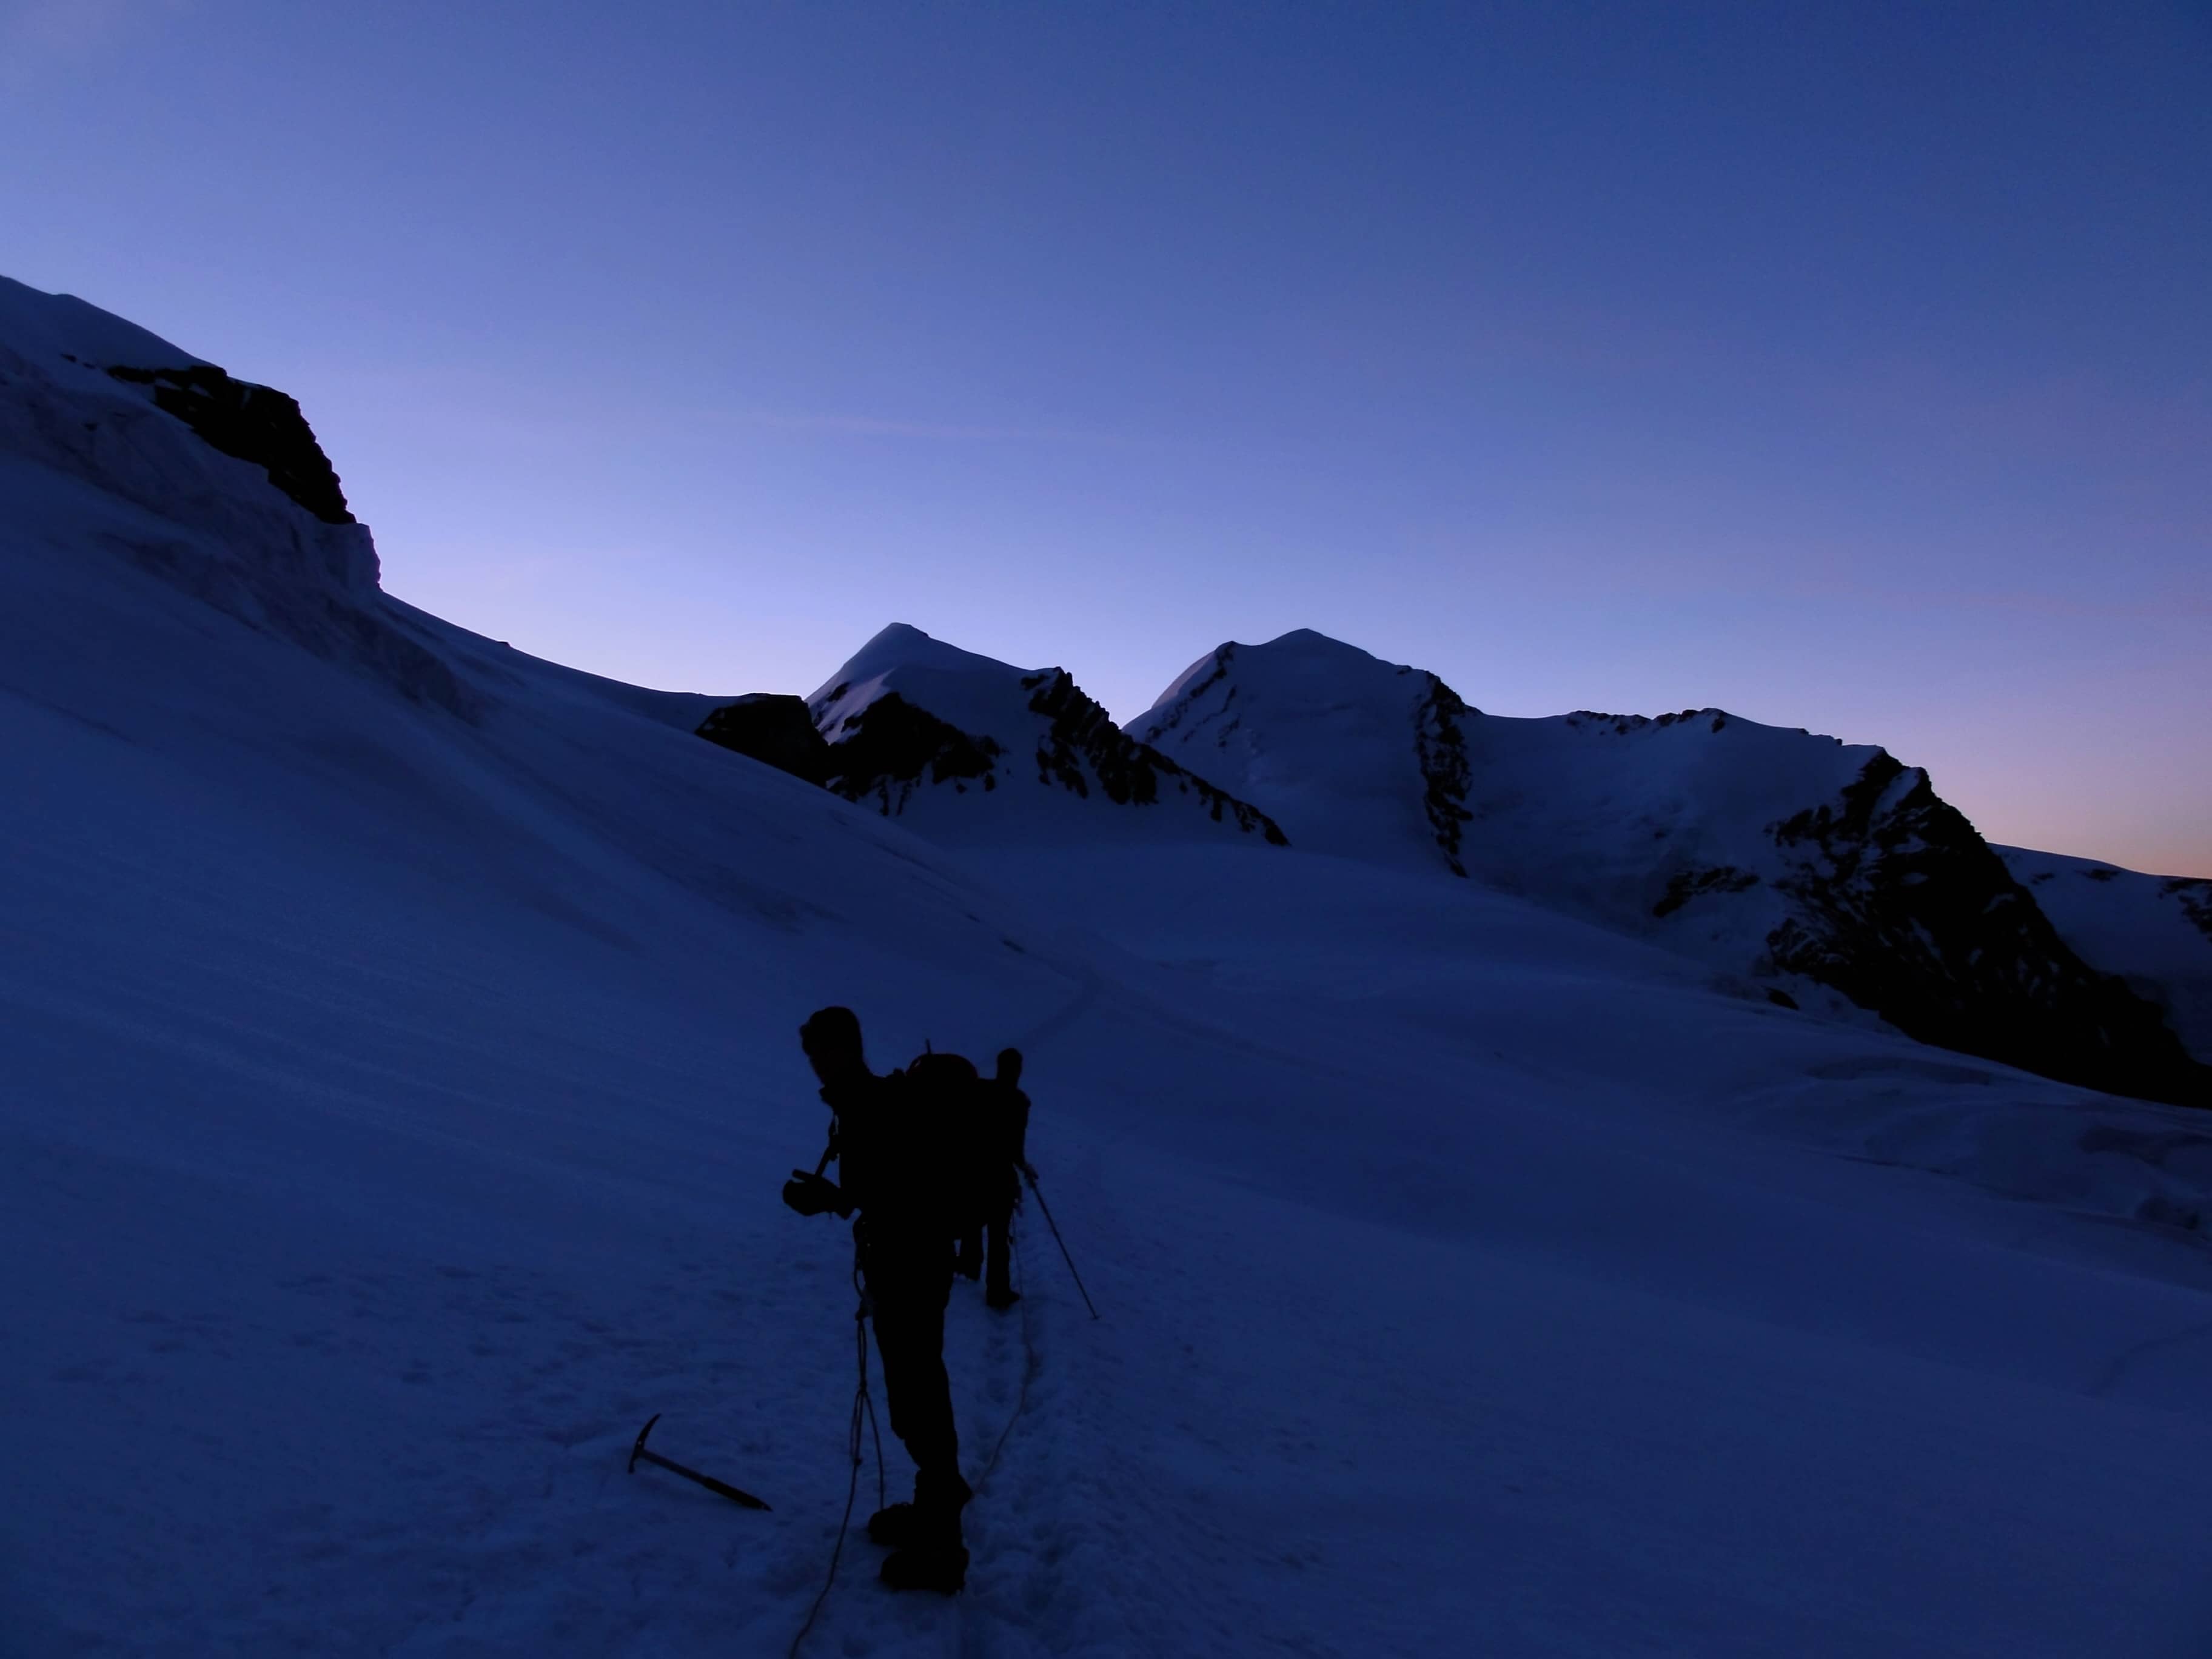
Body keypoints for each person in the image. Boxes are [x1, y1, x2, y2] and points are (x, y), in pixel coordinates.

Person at [783, 1006, 973, 1595]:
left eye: (823, 1051)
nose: (817, 1063)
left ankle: (942, 1544)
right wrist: (837, 1199)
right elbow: (884, 1189)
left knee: (917, 1393)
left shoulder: (872, 1105)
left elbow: (899, 1194)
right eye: (812, 1054)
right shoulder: (860, 1104)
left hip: (912, 1265)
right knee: (913, 1391)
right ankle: (933, 1500)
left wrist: (834, 1202)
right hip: (906, 1260)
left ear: (847, 1048)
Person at [954, 1048, 1033, 1310]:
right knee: (999, 1236)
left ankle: (968, 1267)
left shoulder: (980, 1089)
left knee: (972, 1222)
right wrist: (1023, 1166)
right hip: (1000, 1178)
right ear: (1018, 1070)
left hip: (974, 1171)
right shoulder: (1019, 1102)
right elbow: (1015, 1148)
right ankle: (997, 1291)